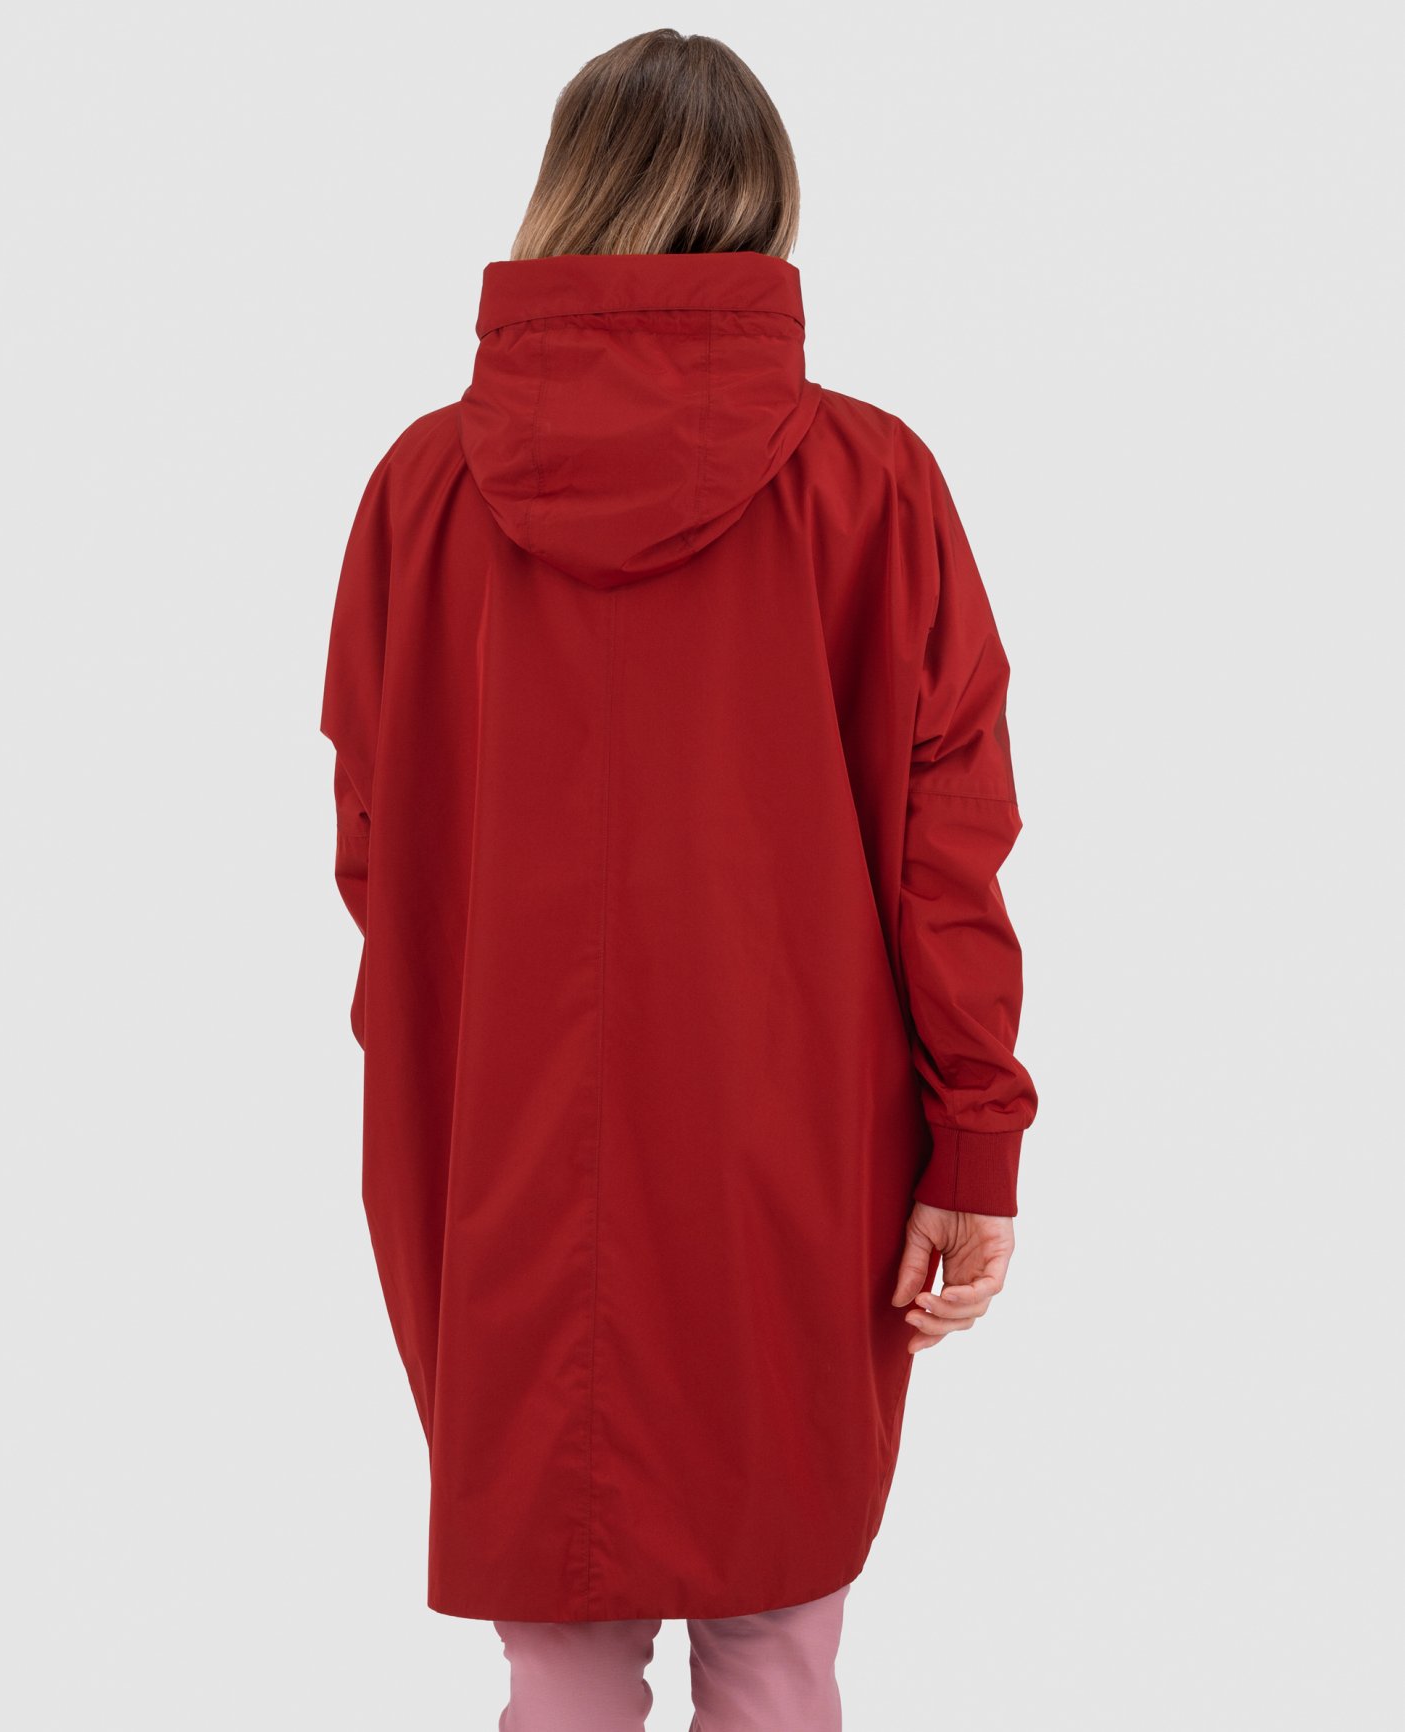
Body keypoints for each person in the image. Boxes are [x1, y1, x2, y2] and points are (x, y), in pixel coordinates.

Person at [321, 27, 1038, 1732]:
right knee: (778, 1647)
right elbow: (949, 844)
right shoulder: (872, 481)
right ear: (765, 205)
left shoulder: (421, 490)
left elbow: (373, 846)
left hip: (494, 1145)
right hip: (793, 1153)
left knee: (555, 1660)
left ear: (566, 195)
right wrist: (972, 1140)